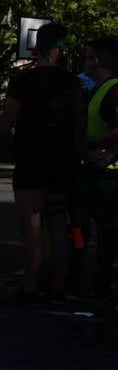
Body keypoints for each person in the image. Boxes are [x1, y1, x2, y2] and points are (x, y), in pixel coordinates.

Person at [0, 22, 85, 304]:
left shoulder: (23, 81)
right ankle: (59, 286)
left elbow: (4, 127)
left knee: (32, 226)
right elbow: (79, 125)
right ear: (60, 48)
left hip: (31, 162)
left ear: (36, 48)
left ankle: (31, 286)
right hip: (62, 164)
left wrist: (18, 150)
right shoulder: (74, 82)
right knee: (58, 225)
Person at [82, 36, 118, 297]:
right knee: (86, 222)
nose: (84, 61)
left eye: (86, 56)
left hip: (109, 173)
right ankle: (93, 273)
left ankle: (104, 279)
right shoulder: (98, 88)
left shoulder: (114, 89)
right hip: (94, 169)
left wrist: (107, 150)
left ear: (98, 61)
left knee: (107, 227)